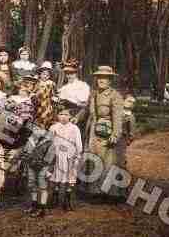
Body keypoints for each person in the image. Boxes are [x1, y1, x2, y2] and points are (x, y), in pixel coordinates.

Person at [79, 66, 125, 199]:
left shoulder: (115, 96)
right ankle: (93, 190)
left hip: (106, 132)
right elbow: (86, 110)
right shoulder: (93, 94)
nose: (101, 80)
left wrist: (115, 134)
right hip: (93, 131)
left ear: (110, 80)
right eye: (99, 77)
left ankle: (110, 192)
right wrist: (77, 117)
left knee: (107, 162)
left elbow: (117, 117)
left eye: (105, 77)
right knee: (92, 160)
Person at [49, 109, 82, 211]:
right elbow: (49, 141)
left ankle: (67, 201)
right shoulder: (54, 127)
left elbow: (78, 143)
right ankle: (55, 198)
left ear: (70, 117)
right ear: (57, 116)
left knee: (70, 177)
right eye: (61, 114)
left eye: (66, 115)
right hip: (57, 155)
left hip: (69, 155)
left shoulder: (74, 128)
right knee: (56, 176)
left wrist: (77, 154)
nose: (63, 117)